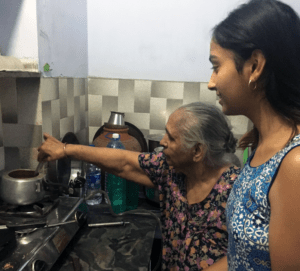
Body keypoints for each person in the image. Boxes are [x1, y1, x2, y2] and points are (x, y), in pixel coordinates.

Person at [38, 102, 240, 271]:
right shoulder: (173, 170)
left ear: (197, 151)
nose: (162, 142)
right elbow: (124, 162)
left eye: (171, 137)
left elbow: (245, 258)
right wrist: (65, 149)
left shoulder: (237, 190)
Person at [208, 0, 300, 270]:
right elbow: (242, 256)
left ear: (255, 66)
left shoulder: (293, 164)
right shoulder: (262, 144)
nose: (211, 82)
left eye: (216, 66)